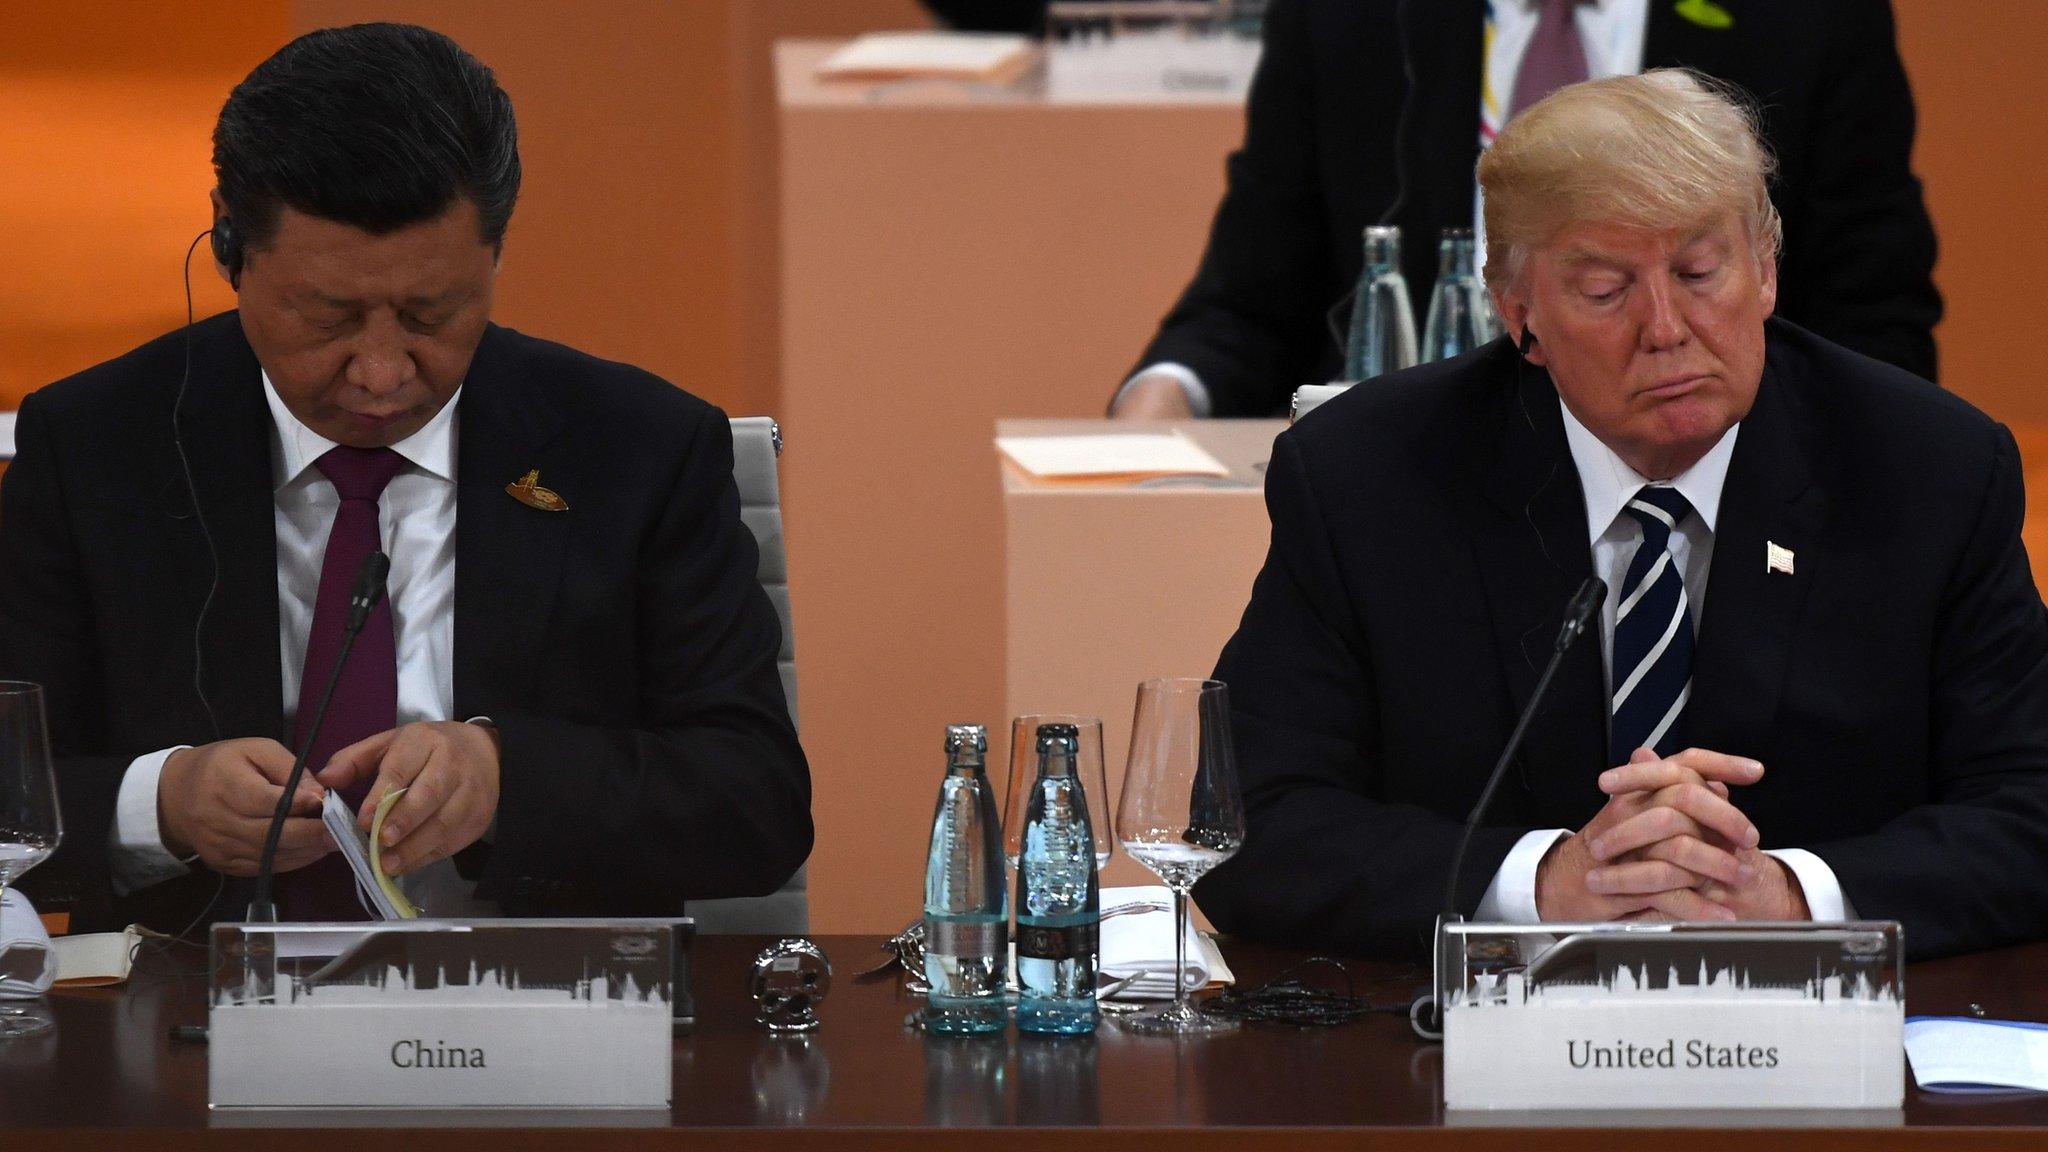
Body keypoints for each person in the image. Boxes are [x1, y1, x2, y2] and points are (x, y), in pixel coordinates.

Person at [1192, 70, 2048, 963]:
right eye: (1606, 290)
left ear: (1766, 271)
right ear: (1519, 314)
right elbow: (1244, 822)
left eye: (1699, 271)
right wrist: (1548, 883)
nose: (1666, 327)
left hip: (1837, 1056)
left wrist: (1793, 897)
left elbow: (2032, 810)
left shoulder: (1928, 471)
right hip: (1461, 1059)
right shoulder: (1368, 478)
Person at [0, 23, 812, 932]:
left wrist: (510, 779)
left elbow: (758, 804)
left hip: (546, 1029)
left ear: (495, 256)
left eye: (433, 312)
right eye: (328, 316)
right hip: (196, 1035)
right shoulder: (98, 445)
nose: (382, 373)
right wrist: (161, 801)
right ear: (230, 249)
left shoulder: (640, 448)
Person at [1113, 0, 1942, 419]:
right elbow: (1253, 302)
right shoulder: (1347, 18)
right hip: (1413, 493)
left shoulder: (1808, 18)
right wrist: (1160, 400)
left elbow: (1873, 318)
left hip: (1705, 484)